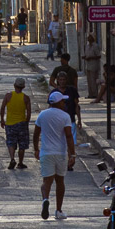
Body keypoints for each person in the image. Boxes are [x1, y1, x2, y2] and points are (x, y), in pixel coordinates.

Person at [34, 91, 75, 220]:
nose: (64, 103)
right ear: (58, 102)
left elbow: (36, 134)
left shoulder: (42, 115)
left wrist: (36, 149)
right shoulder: (65, 116)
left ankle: (45, 199)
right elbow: (69, 136)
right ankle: (58, 210)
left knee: (47, 181)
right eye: (62, 101)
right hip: (60, 152)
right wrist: (72, 154)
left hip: (46, 152)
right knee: (60, 181)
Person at [52, 71, 82, 170]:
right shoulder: (54, 92)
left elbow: (77, 105)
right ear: (57, 80)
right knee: (59, 143)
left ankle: (70, 162)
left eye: (64, 80)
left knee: (71, 142)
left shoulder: (72, 90)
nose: (62, 82)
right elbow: (50, 107)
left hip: (70, 120)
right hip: (58, 121)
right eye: (60, 80)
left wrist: (79, 120)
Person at [0, 77, 32, 170]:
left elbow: (2, 108)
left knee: (11, 142)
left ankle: (12, 159)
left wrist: (2, 120)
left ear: (14, 85)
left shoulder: (8, 96)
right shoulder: (26, 98)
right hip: (22, 123)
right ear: (24, 87)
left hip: (10, 123)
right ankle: (20, 162)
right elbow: (29, 112)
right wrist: (26, 122)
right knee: (22, 144)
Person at [82, 33, 101, 100]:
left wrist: (91, 58)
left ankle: (95, 94)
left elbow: (99, 56)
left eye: (90, 37)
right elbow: (86, 54)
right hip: (88, 65)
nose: (88, 38)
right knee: (89, 81)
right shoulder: (87, 46)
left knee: (93, 80)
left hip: (94, 65)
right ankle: (90, 94)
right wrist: (84, 57)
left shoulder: (95, 46)